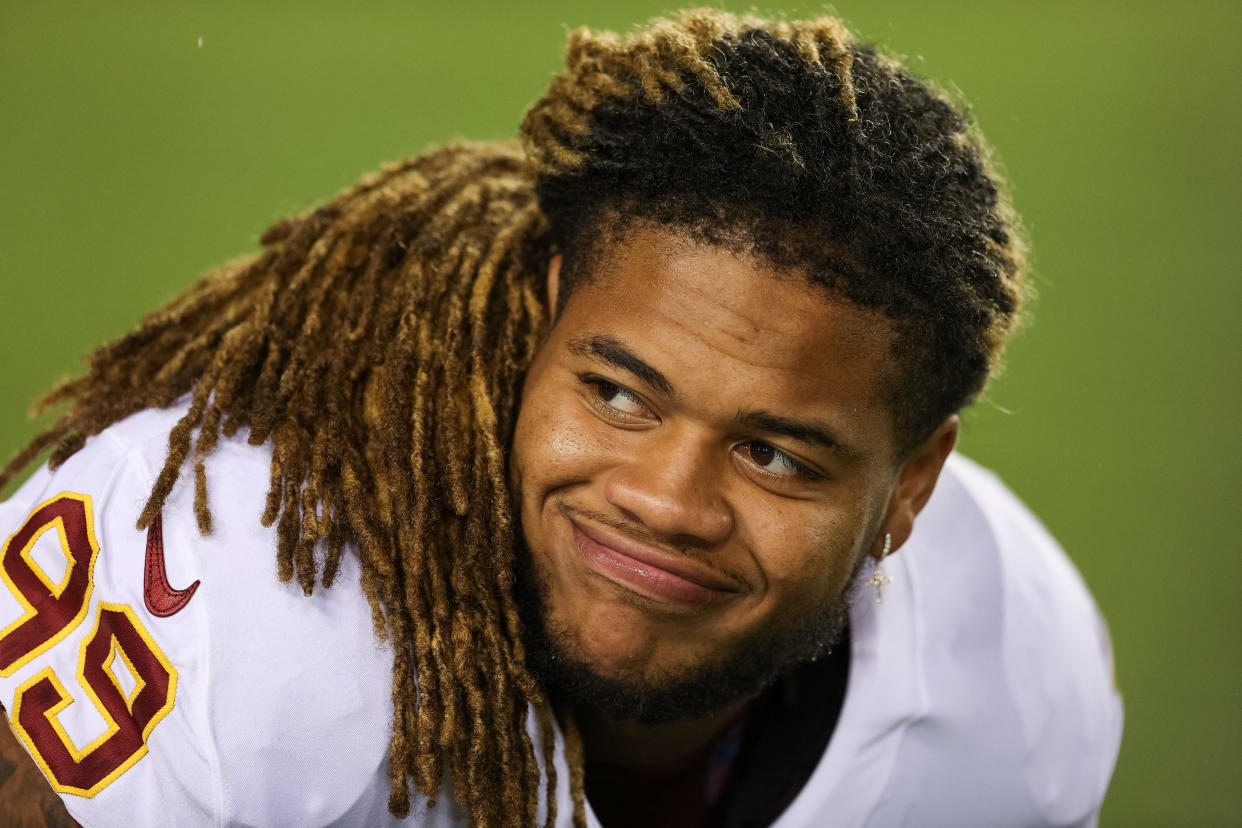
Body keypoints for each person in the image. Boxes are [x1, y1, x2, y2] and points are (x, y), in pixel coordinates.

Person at [0, 9, 1121, 827]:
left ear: (912, 487)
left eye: (774, 455)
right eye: (620, 394)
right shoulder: (240, 587)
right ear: (542, 317)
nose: (664, 503)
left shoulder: (1013, 692)